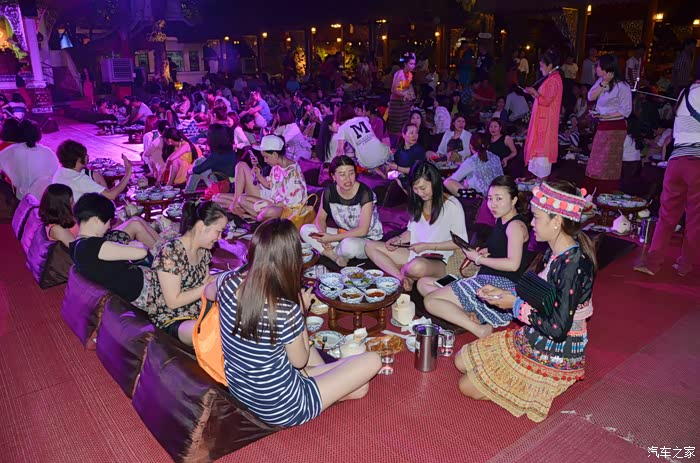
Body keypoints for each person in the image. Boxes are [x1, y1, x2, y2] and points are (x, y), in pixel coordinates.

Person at [219, 218, 380, 427]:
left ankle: (328, 385)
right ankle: (321, 390)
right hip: (283, 407)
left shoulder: (226, 282)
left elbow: (209, 292)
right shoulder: (285, 309)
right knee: (372, 360)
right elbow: (300, 361)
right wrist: (301, 311)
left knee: (360, 388)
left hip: (243, 393)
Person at [458, 180, 596, 423]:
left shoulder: (572, 265)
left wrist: (514, 305)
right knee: (461, 359)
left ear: (556, 221)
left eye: (536, 218)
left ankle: (541, 385)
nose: (531, 223)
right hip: (537, 332)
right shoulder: (556, 252)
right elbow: (542, 294)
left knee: (466, 386)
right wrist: (504, 294)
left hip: (557, 348)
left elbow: (558, 328)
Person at [418, 176, 530, 338]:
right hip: (484, 278)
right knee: (423, 283)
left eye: (499, 199)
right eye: (490, 198)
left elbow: (513, 264)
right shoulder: (503, 220)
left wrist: (478, 259)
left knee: (430, 301)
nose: (493, 204)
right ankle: (469, 314)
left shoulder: (515, 226)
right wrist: (486, 251)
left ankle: (480, 329)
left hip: (499, 285)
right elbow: (504, 249)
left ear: (514, 200)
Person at [635, 62, 700, 277]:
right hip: (696, 163)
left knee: (666, 215)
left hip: (676, 162)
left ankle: (652, 262)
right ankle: (685, 265)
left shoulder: (685, 92)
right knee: (695, 218)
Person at [365, 161, 468, 291]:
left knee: (416, 267)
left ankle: (405, 272)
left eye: (423, 188)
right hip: (414, 255)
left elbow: (460, 242)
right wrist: (398, 240)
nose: (419, 193)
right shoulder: (418, 202)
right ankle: (402, 278)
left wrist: (427, 246)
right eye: (415, 189)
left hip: (440, 261)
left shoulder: (452, 205)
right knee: (370, 246)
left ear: (434, 182)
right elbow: (411, 232)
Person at [147, 201, 225, 345]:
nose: (220, 238)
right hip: (171, 317)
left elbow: (205, 282)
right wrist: (207, 286)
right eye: (218, 231)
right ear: (201, 227)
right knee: (209, 335)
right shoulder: (172, 252)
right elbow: (173, 302)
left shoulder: (203, 250)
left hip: (196, 308)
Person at [70, 193, 156, 312]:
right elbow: (141, 253)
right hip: (145, 290)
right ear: (96, 220)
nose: (109, 227)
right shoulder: (92, 246)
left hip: (134, 285)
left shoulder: (76, 245)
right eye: (108, 222)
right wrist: (134, 245)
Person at [300, 156, 383, 266]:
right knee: (305, 229)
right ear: (333, 176)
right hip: (342, 234)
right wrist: (322, 235)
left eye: (351, 173)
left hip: (367, 239)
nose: (348, 179)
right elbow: (320, 218)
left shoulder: (365, 193)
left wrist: (331, 238)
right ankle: (334, 257)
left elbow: (363, 231)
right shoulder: (330, 192)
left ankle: (331, 250)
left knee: (348, 246)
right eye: (342, 174)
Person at [215, 135, 307, 221]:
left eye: (266, 157)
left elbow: (294, 202)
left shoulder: (293, 172)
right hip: (271, 201)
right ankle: (249, 212)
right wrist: (258, 175)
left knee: (263, 209)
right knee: (219, 198)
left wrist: (270, 204)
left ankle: (252, 214)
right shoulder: (276, 167)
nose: (265, 160)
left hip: (284, 209)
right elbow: (270, 185)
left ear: (275, 154)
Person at [584, 54, 632, 193]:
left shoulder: (622, 86)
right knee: (596, 161)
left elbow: (626, 111)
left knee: (607, 164)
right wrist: (603, 83)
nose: (596, 68)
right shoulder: (601, 81)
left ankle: (605, 192)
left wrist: (606, 115)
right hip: (603, 125)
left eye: (598, 66)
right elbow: (590, 96)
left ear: (607, 68)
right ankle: (592, 192)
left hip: (615, 127)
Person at [523, 51, 563, 179]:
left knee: (542, 164)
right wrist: (533, 93)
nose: (540, 69)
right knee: (537, 164)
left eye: (541, 66)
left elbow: (545, 101)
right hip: (542, 123)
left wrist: (534, 92)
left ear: (550, 65)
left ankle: (541, 189)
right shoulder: (551, 79)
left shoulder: (553, 80)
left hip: (545, 126)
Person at [0, 119, 58, 200]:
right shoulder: (48, 152)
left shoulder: (11, 150)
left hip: (21, 199)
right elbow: (55, 175)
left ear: (18, 133)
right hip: (45, 198)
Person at [444, 133, 504, 197]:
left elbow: (452, 180)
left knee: (447, 182)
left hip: (481, 198)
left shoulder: (472, 161)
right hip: (500, 194)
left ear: (471, 146)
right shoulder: (496, 157)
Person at [335, 104, 391, 170]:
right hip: (384, 153)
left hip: (368, 163)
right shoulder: (363, 119)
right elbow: (374, 137)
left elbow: (340, 151)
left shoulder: (342, 128)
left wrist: (334, 165)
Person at [185, 124, 237, 193]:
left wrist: (188, 172)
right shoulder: (229, 149)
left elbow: (200, 169)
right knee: (200, 161)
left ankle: (188, 191)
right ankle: (188, 191)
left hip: (224, 185)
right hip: (231, 182)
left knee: (199, 162)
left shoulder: (217, 154)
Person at [386, 123, 429, 188]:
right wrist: (389, 166)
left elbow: (416, 171)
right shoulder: (399, 148)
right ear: (403, 135)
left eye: (416, 132)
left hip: (413, 182)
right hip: (398, 178)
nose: (415, 136)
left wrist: (397, 168)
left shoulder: (419, 150)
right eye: (411, 133)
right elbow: (394, 163)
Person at [386, 52, 416, 136]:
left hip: (405, 102)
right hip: (396, 103)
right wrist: (405, 94)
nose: (413, 66)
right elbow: (394, 89)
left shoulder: (410, 75)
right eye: (411, 64)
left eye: (414, 64)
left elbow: (407, 87)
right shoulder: (399, 73)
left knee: (405, 124)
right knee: (396, 126)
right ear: (405, 64)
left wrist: (411, 94)